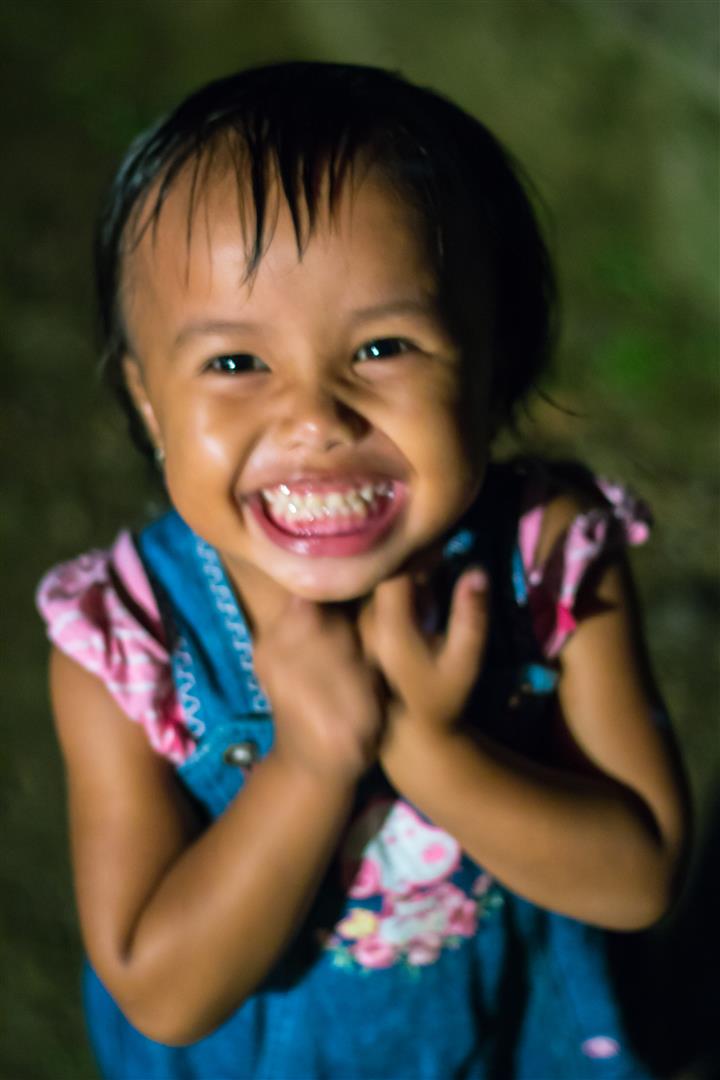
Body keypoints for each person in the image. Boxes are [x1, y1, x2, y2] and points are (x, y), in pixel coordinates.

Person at [37, 61, 687, 1079]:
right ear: (151, 401)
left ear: (491, 356)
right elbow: (163, 991)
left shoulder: (552, 557)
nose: (313, 417)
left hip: (513, 1045)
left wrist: (426, 747)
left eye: (384, 346)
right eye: (235, 363)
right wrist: (308, 764)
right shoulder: (127, 645)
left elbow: (640, 873)